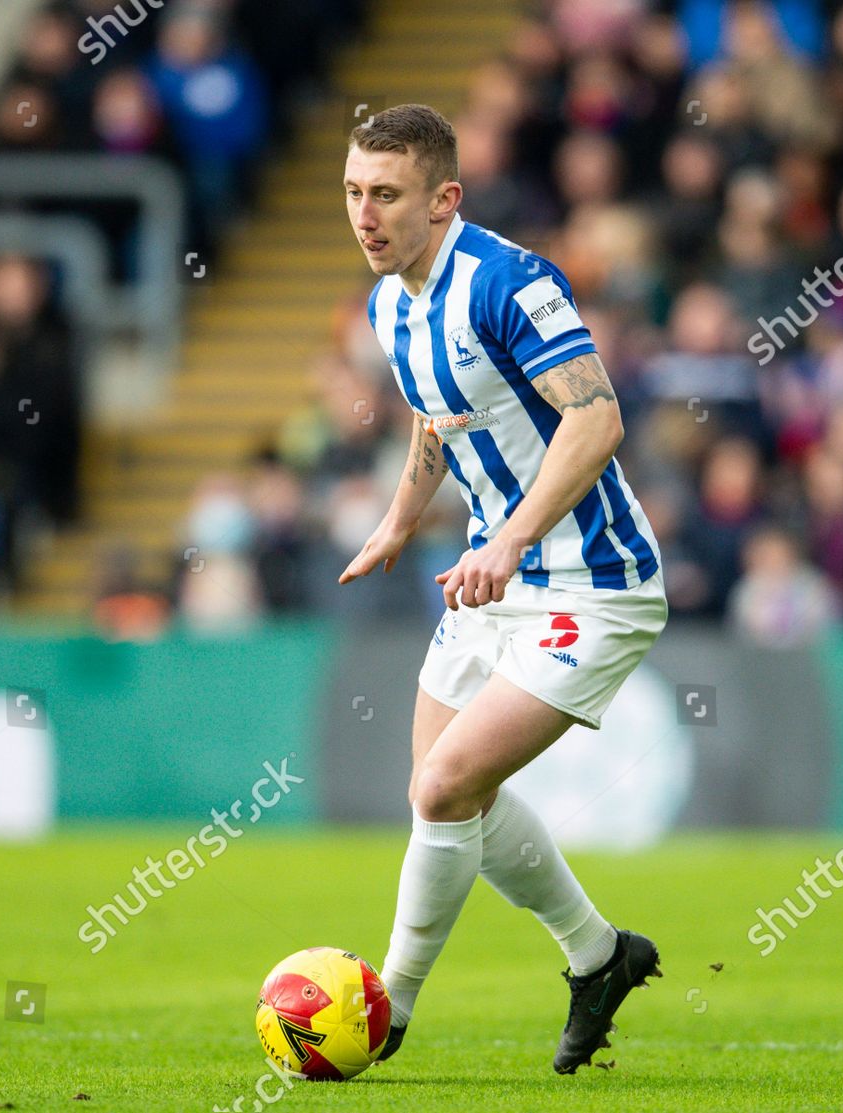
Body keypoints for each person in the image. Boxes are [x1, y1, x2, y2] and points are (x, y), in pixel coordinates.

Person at [337, 104, 667, 1072]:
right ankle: (599, 957)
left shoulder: (513, 283)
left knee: (444, 787)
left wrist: (513, 540)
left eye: (387, 195)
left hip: (592, 582)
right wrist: (402, 518)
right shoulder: (388, 300)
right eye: (354, 193)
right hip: (494, 573)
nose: (366, 215)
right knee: (448, 797)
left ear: (444, 200)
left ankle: (384, 1010)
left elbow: (596, 421)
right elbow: (436, 415)